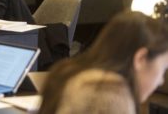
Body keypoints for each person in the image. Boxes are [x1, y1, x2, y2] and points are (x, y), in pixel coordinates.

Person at [39, 11, 168, 114]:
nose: (161, 80)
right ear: (141, 58)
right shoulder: (110, 97)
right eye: (163, 68)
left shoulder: (65, 72)